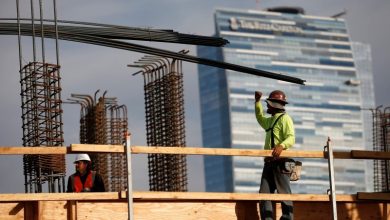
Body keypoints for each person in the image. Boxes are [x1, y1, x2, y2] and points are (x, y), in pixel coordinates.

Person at [255, 90, 295, 220]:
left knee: (284, 192)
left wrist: (281, 146)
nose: (267, 106)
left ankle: (287, 218)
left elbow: (291, 138)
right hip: (269, 162)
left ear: (274, 105)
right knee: (264, 193)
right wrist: (257, 103)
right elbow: (260, 118)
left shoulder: (285, 119)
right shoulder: (271, 121)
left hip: (281, 162)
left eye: (268, 104)